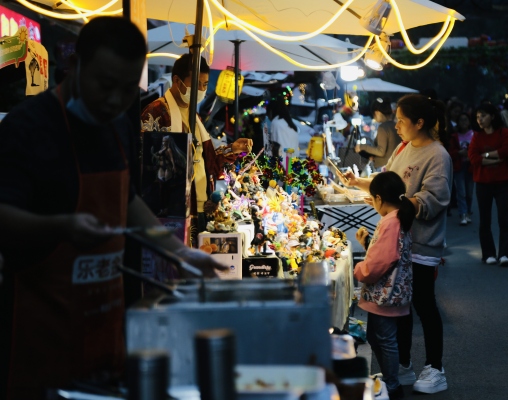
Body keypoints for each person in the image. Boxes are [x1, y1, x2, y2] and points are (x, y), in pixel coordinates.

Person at [0, 17, 227, 400]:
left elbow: (127, 200)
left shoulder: (118, 126)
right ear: (76, 66)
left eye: (126, 90)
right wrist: (60, 227)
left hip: (106, 328)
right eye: (105, 85)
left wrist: (179, 253)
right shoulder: (28, 127)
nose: (114, 101)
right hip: (40, 338)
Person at [341, 93, 452, 394]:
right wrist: (359, 183)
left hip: (422, 245)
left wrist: (397, 208)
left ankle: (435, 368)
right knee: (400, 307)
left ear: (420, 122)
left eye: (402, 121)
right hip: (400, 243)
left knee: (425, 306)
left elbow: (434, 200)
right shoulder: (403, 147)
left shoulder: (437, 155)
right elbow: (388, 181)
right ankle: (402, 365)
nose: (397, 126)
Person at [141, 53, 252, 232]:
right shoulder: (157, 112)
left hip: (201, 208)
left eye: (205, 84)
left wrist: (232, 149)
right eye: (196, 83)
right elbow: (147, 165)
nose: (201, 89)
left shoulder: (195, 116)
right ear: (177, 81)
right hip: (173, 211)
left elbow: (208, 162)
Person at [354, 171, 416, 400]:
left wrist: (361, 270)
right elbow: (391, 253)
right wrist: (368, 243)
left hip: (386, 295)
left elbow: (382, 260)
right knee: (376, 336)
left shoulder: (390, 222)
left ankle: (392, 385)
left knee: (385, 339)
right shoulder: (399, 217)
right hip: (394, 291)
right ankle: (390, 380)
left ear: (379, 198)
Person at [468, 103, 508, 266]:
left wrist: (485, 155)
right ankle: (488, 253)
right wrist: (493, 158)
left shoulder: (503, 132)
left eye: (484, 115)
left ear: (492, 116)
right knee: (485, 221)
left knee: (504, 220)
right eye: (478, 116)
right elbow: (473, 158)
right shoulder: (477, 136)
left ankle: (504, 254)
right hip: (483, 183)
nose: (480, 119)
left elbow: (507, 150)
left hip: (503, 182)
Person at [355, 97, 401, 170]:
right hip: (395, 166)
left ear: (377, 113)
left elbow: (381, 151)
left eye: (374, 114)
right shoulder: (395, 125)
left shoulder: (383, 127)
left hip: (384, 168)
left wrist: (362, 146)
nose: (374, 118)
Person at [448, 112, 474, 225]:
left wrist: (471, 156)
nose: (463, 122)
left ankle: (468, 211)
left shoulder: (473, 135)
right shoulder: (454, 136)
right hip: (459, 166)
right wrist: (459, 152)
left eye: (465, 120)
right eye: (461, 120)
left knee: (469, 192)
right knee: (461, 191)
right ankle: (462, 213)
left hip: (470, 166)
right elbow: (450, 151)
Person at [267, 95, 300, 159]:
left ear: (271, 112)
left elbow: (275, 144)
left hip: (285, 160)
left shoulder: (276, 123)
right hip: (293, 158)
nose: (268, 117)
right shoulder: (287, 122)